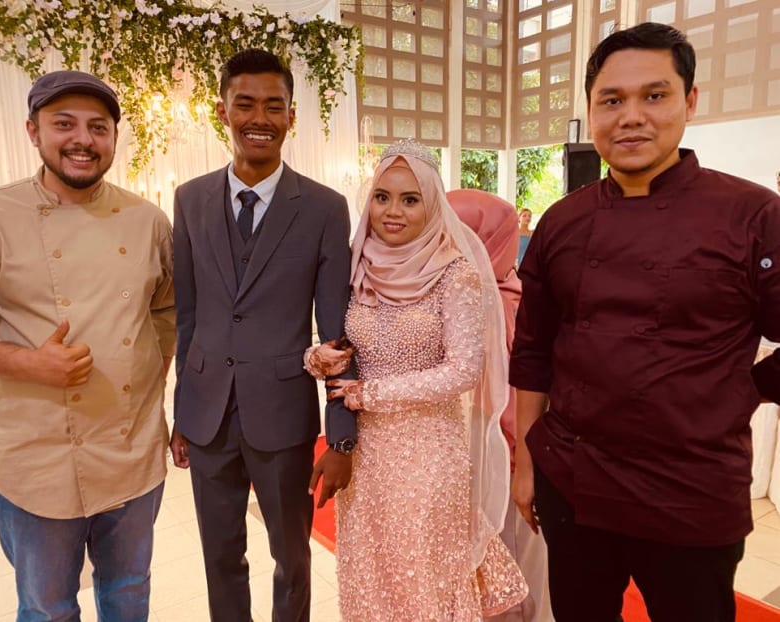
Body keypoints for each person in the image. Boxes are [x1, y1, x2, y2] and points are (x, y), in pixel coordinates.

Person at [510, 22, 780, 622]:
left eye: (653, 96)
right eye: (612, 100)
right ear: (591, 110)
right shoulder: (562, 220)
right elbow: (532, 351)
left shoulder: (751, 214)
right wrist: (528, 461)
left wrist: (746, 389)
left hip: (691, 495)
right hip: (574, 481)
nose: (631, 116)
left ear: (689, 102)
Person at [0, 70, 175, 621]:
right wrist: (27, 362)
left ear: (114, 138)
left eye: (98, 127)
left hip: (132, 448)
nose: (83, 139)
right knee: (48, 608)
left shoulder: (147, 219)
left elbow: (165, 313)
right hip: (38, 457)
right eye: (64, 124)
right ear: (33, 131)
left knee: (128, 592)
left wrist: (146, 382)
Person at [305, 139, 528, 620]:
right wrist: (317, 357)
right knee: (370, 581)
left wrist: (373, 394)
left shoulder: (456, 275)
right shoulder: (355, 267)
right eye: (382, 197)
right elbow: (342, 347)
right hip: (365, 459)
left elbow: (464, 369)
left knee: (425, 581)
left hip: (429, 457)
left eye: (411, 200)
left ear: (433, 204)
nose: (393, 211)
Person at [170, 49, 356, 622]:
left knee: (291, 558)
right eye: (245, 103)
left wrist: (342, 437)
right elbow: (188, 315)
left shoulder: (324, 208)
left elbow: (337, 330)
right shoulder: (190, 198)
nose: (259, 117)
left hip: (282, 413)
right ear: (221, 110)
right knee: (219, 556)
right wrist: (183, 411)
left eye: (274, 106)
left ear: (291, 117)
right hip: (206, 417)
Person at [449, 189, 553, 622]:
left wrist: (517, 464)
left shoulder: (498, 305)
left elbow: (510, 400)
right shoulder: (508, 293)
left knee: (509, 571)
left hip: (503, 461)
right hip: (481, 458)